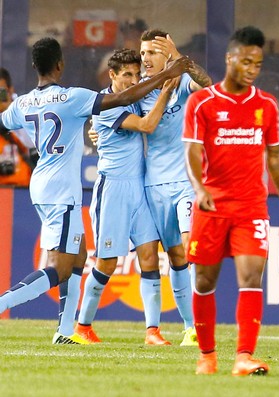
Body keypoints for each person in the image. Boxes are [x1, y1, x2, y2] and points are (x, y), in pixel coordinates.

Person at [0, 37, 192, 344]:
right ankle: (4, 304)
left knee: (77, 260)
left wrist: (28, 151)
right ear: (61, 64)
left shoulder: (22, 102)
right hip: (62, 191)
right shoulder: (73, 97)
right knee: (60, 268)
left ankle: (66, 332)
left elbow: (2, 123)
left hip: (46, 185)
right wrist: (164, 78)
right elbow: (120, 102)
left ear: (35, 66)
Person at [182, 26, 279, 375]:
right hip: (212, 204)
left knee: (251, 276)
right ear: (229, 58)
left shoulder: (266, 106)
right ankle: (207, 356)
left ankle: (244, 357)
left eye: (258, 64)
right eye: (246, 61)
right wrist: (200, 189)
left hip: (251, 206)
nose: (252, 69)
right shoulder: (201, 102)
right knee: (204, 281)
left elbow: (275, 157)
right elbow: (192, 151)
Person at [75, 49, 177, 345]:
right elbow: (147, 125)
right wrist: (165, 90)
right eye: (127, 75)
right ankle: (83, 326)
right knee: (106, 263)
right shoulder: (106, 106)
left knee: (149, 257)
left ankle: (152, 331)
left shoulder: (135, 97)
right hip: (114, 190)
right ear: (112, 76)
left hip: (140, 187)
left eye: (136, 74)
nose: (133, 80)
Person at [138, 29, 212, 346]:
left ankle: (194, 328)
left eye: (153, 53)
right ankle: (170, 328)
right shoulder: (138, 90)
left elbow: (209, 87)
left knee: (187, 246)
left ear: (166, 54)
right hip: (152, 183)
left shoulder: (182, 83)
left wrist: (181, 61)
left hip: (184, 181)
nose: (146, 59)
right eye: (142, 54)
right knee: (172, 256)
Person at [0, 68, 37, 186]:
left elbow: (31, 144)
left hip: (23, 188)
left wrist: (9, 115)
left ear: (10, 90)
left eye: (1, 92)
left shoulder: (22, 111)